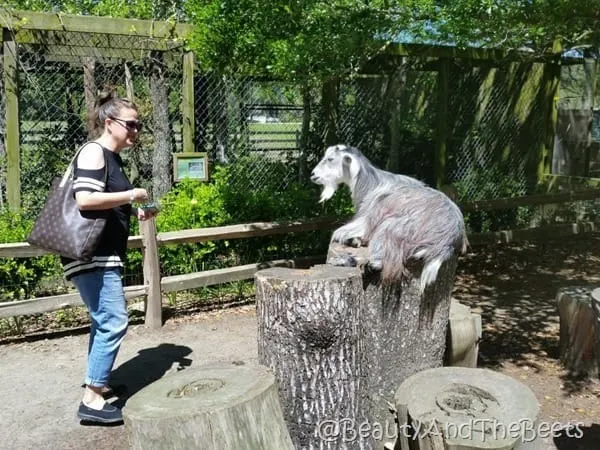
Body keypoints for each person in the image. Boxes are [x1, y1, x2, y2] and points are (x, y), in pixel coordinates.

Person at [62, 89, 157, 424]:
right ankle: (91, 399)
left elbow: (104, 201)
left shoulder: (112, 158)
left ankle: (96, 385)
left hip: (102, 253)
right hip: (91, 252)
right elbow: (85, 200)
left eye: (139, 125)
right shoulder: (94, 151)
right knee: (115, 321)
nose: (135, 131)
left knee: (103, 321)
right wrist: (131, 194)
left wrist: (132, 210)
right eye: (130, 124)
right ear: (109, 122)